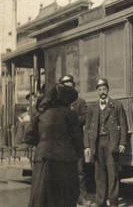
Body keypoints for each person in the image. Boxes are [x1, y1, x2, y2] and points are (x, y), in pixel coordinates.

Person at [28, 84, 82, 207]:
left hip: (43, 159)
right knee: (64, 196)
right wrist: (78, 154)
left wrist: (43, 143)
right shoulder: (70, 114)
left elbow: (28, 137)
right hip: (65, 158)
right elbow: (77, 138)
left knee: (41, 197)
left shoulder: (40, 114)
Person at [84, 78, 127, 207]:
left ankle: (113, 201)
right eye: (100, 89)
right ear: (97, 91)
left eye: (104, 89)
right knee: (99, 174)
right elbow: (87, 128)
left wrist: (122, 143)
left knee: (112, 173)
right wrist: (87, 146)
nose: (102, 92)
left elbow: (124, 126)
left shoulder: (116, 105)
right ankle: (100, 201)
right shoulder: (92, 107)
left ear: (108, 90)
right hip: (97, 143)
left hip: (111, 142)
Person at [59, 75, 90, 205]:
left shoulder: (80, 102)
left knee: (80, 171)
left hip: (76, 141)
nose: (68, 86)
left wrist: (70, 120)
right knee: (63, 171)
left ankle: (82, 197)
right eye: (65, 84)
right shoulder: (59, 103)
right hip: (62, 142)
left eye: (70, 84)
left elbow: (85, 118)